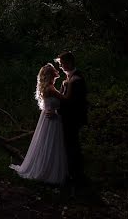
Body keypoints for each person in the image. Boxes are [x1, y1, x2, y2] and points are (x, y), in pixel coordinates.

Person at [10, 63, 69, 184]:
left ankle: (46, 168)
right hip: (52, 119)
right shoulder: (50, 88)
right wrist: (66, 85)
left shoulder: (49, 87)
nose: (56, 70)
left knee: (47, 143)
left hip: (48, 118)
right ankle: (48, 172)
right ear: (50, 74)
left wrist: (63, 86)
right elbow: (65, 100)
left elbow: (59, 99)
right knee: (51, 144)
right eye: (54, 69)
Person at [57, 51, 88, 184]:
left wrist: (58, 111)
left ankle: (76, 175)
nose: (61, 67)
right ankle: (71, 172)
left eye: (62, 64)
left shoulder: (77, 79)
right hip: (66, 118)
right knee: (69, 145)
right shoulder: (68, 79)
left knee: (72, 145)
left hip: (72, 119)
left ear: (69, 62)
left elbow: (73, 102)